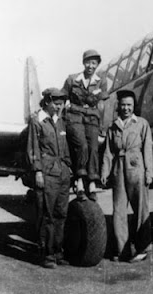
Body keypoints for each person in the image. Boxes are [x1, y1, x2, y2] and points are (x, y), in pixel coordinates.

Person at [101, 90, 153, 262]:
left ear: (134, 106)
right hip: (118, 169)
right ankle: (122, 249)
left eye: (129, 105)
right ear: (119, 106)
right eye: (123, 105)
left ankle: (143, 248)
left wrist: (149, 172)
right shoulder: (113, 127)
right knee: (119, 210)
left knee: (141, 208)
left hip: (136, 166)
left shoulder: (142, 124)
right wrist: (105, 172)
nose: (126, 108)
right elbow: (108, 153)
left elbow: (147, 149)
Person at [27, 88, 72, 269]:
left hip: (62, 173)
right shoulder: (37, 121)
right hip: (46, 173)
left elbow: (65, 147)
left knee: (61, 214)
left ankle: (58, 252)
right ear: (46, 101)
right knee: (47, 215)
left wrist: (68, 167)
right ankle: (46, 254)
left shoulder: (59, 121)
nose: (60, 105)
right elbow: (33, 148)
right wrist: (37, 171)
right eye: (56, 101)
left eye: (62, 102)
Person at [62, 49, 109, 201]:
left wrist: (101, 126)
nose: (90, 66)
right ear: (83, 63)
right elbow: (62, 98)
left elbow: (101, 103)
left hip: (92, 119)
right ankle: (80, 181)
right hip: (75, 116)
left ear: (97, 65)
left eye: (94, 63)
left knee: (94, 148)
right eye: (88, 62)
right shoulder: (72, 79)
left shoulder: (101, 81)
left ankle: (92, 183)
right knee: (81, 146)